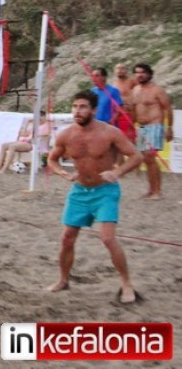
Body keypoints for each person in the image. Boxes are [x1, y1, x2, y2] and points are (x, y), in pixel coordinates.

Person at [45, 90, 142, 303]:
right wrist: (62, 172)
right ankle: (63, 280)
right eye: (75, 107)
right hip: (79, 191)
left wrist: (116, 172)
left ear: (94, 110)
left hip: (105, 191)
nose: (77, 111)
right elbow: (51, 159)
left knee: (107, 238)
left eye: (83, 107)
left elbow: (136, 156)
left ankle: (126, 284)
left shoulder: (110, 133)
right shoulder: (66, 134)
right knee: (67, 238)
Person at [131, 63, 174, 199]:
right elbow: (133, 109)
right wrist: (132, 126)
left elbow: (168, 109)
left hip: (155, 125)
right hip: (142, 127)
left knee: (150, 157)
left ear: (149, 74)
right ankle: (151, 189)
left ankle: (157, 191)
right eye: (137, 72)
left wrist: (169, 128)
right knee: (146, 160)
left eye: (143, 72)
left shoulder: (157, 90)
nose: (140, 75)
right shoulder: (135, 90)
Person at [111, 63, 137, 143]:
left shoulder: (132, 81)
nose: (120, 70)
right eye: (117, 68)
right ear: (114, 71)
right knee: (119, 142)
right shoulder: (114, 83)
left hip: (129, 114)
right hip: (118, 116)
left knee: (131, 141)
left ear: (126, 70)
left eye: (122, 68)